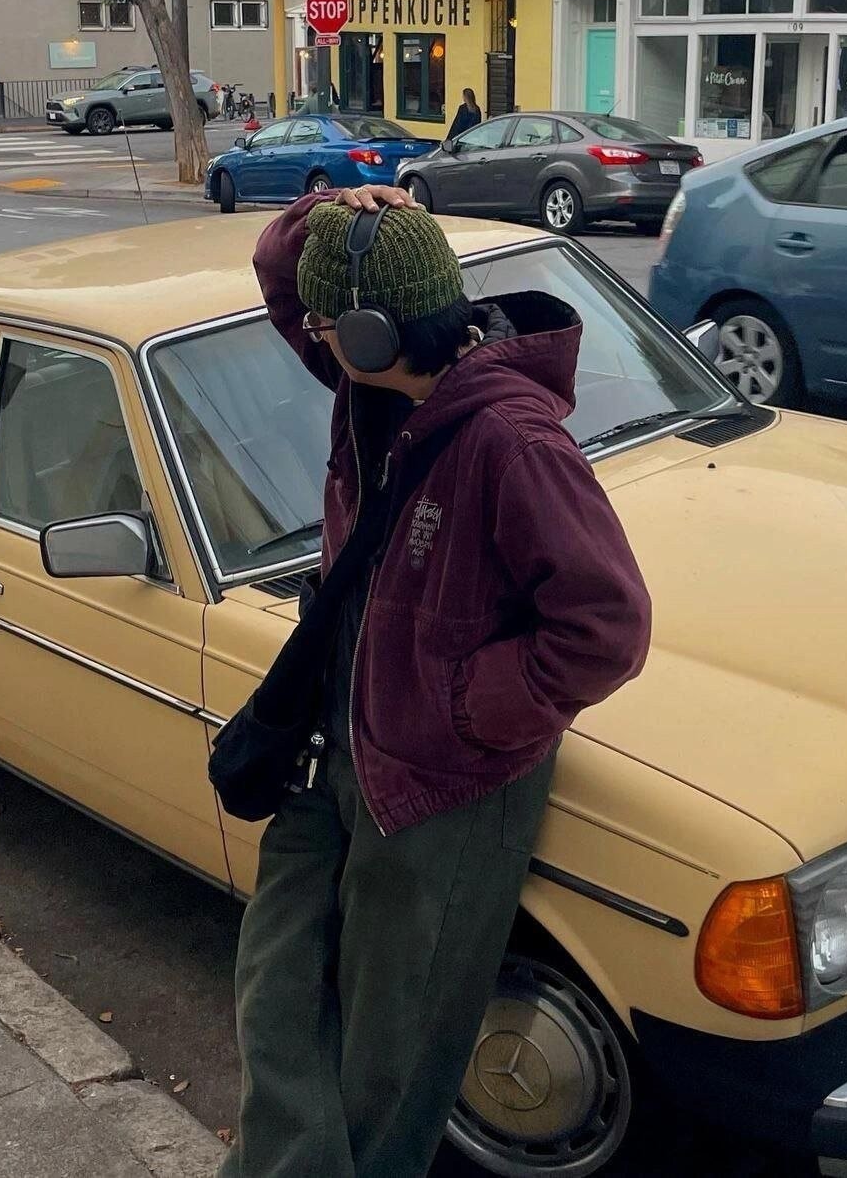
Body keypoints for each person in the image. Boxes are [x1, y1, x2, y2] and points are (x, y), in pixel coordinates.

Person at [217, 181, 651, 1178]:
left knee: (393, 1049)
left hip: (444, 783)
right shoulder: (374, 389)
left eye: (327, 327)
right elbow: (282, 278)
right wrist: (334, 210)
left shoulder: (513, 442)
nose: (310, 338)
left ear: (372, 332)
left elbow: (607, 625)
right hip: (339, 742)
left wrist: (461, 707)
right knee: (276, 983)